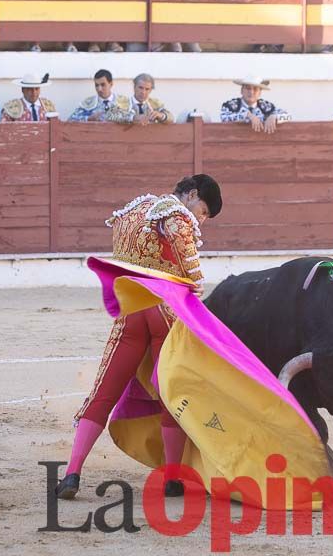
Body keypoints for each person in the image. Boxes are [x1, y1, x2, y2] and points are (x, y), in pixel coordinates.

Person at [55, 174, 223, 501]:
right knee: (171, 394)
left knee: (103, 392)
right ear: (191, 195)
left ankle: (72, 473)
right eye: (202, 211)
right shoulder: (176, 214)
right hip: (165, 310)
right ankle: (173, 477)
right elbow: (188, 259)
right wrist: (194, 284)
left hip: (131, 309)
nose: (200, 219)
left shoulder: (132, 210)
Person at [219, 77, 290, 133]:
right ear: (241, 91)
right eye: (248, 88)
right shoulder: (231, 105)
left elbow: (288, 116)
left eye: (255, 89)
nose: (251, 92)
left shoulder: (266, 106)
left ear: (259, 93)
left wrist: (274, 116)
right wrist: (247, 115)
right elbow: (224, 118)